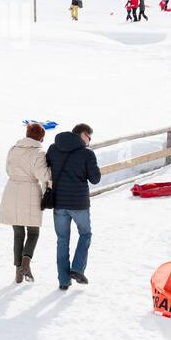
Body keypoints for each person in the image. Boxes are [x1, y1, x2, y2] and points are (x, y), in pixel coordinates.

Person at [46, 123, 101, 291]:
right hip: (79, 204)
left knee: (62, 240)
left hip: (59, 203)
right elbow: (95, 179)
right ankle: (77, 269)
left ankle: (63, 280)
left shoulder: (53, 149)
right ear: (82, 134)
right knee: (85, 234)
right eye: (89, 138)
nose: (89, 142)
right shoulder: (87, 153)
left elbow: (47, 170)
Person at [0, 122, 50, 284]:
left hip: (12, 190)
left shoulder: (13, 149)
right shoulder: (39, 153)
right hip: (30, 192)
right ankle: (26, 264)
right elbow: (43, 176)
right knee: (33, 232)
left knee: (18, 233)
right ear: (41, 137)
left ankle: (18, 273)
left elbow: (7, 169)